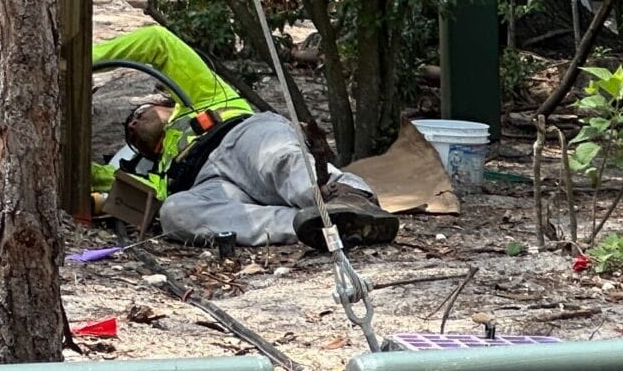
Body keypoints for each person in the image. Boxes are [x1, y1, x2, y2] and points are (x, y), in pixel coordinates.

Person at [91, 24, 398, 248]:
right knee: (175, 214)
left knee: (279, 159)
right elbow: (85, 178)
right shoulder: (155, 176)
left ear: (164, 103)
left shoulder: (203, 95)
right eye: (130, 133)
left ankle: (348, 199)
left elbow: (156, 41)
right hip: (209, 186)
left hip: (238, 138)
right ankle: (317, 226)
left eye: (138, 113)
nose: (132, 124)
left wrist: (83, 61)